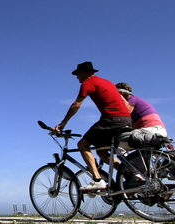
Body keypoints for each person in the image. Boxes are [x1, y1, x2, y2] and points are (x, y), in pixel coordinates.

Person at [52, 62, 133, 191]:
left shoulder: (88, 83)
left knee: (82, 145)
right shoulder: (108, 82)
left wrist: (63, 123)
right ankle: (129, 174)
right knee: (101, 151)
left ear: (83, 72)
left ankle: (97, 180)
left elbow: (76, 104)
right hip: (126, 120)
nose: (77, 77)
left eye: (77, 74)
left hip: (112, 120)